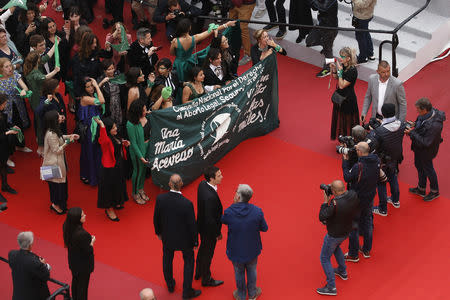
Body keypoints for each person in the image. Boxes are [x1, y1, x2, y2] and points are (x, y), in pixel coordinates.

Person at [153, 174, 201, 299]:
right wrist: (195, 242)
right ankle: (187, 292)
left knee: (167, 260)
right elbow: (192, 225)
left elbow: (156, 218)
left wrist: (158, 232)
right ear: (181, 184)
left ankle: (170, 284)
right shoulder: (187, 204)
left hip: (167, 238)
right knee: (189, 263)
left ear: (169, 184)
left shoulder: (160, 199)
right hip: (185, 241)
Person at [221, 184, 268, 300]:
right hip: (252, 248)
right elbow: (265, 228)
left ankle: (241, 295)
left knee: (239, 272)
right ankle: (252, 294)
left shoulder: (229, 212)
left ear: (238, 196)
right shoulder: (257, 211)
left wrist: (233, 205)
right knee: (252, 270)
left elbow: (223, 220)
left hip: (235, 250)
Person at [317, 180, 359, 296]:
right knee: (336, 248)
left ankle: (331, 287)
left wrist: (326, 201)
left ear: (334, 192)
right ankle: (342, 270)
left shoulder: (335, 204)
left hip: (334, 234)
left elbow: (322, 216)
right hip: (346, 231)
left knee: (324, 258)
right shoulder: (353, 195)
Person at [342, 142, 379, 261]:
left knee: (353, 225)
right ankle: (367, 250)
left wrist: (345, 162)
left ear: (360, 152)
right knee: (367, 223)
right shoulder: (376, 160)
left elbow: (347, 177)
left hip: (357, 200)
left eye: (356, 149)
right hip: (370, 197)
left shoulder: (359, 166)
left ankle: (353, 253)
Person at [405, 98, 446, 202]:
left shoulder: (434, 125)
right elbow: (420, 120)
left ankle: (434, 191)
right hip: (419, 148)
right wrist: (414, 124)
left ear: (425, 109)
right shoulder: (426, 115)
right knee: (419, 166)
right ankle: (421, 188)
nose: (417, 111)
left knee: (429, 169)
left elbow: (426, 142)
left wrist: (412, 133)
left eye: (418, 109)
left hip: (427, 151)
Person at [170, 18, 234, 83]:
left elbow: (172, 53)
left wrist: (180, 54)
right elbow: (210, 31)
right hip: (189, 63)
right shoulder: (194, 38)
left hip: (179, 64)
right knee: (191, 80)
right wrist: (226, 24)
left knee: (179, 81)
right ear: (189, 28)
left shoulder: (175, 41)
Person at [371, 103, 405, 216]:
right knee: (393, 177)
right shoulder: (402, 125)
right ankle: (395, 200)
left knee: (381, 183)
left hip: (383, 160)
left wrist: (373, 132)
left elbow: (374, 145)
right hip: (395, 157)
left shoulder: (379, 131)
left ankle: (382, 209)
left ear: (383, 114)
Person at [42, 110, 79, 214]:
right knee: (56, 186)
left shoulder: (53, 130)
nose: (60, 117)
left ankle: (59, 203)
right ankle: (55, 204)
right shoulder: (51, 133)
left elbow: (60, 138)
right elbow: (56, 150)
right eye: (58, 116)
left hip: (56, 163)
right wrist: (68, 142)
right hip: (53, 164)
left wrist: (69, 136)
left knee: (59, 185)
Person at [23, 50, 60, 152]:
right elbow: (45, 77)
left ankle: (40, 140)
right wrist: (55, 71)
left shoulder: (30, 67)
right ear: (36, 61)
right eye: (39, 58)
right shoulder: (34, 73)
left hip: (35, 98)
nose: (41, 58)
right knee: (40, 123)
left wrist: (55, 45)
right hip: (38, 100)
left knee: (38, 120)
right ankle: (40, 147)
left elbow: (46, 57)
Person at [95, 117, 129, 221]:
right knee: (108, 189)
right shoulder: (104, 139)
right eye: (113, 128)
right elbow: (105, 139)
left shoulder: (115, 136)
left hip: (117, 166)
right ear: (108, 129)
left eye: (116, 127)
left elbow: (116, 145)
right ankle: (109, 209)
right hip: (108, 169)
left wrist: (123, 143)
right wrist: (101, 125)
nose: (116, 129)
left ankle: (116, 202)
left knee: (117, 185)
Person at [195, 166, 224, 287]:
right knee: (208, 253)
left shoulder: (202, 184)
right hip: (209, 230)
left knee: (202, 249)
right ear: (212, 179)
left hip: (201, 226)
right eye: (219, 175)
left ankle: (198, 272)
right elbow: (210, 219)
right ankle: (206, 279)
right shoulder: (210, 197)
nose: (222, 176)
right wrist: (217, 233)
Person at [0, 57, 32, 154]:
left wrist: (24, 90)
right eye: (6, 67)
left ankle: (21, 146)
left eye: (10, 65)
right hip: (5, 109)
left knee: (19, 126)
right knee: (6, 131)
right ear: (1, 68)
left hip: (18, 106)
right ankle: (8, 155)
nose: (10, 68)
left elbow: (25, 87)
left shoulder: (15, 75)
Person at [63, 207, 95, 300]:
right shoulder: (82, 234)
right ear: (77, 219)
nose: (85, 216)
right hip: (83, 265)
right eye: (82, 215)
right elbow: (88, 250)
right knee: (83, 287)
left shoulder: (66, 226)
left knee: (75, 281)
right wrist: (92, 242)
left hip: (73, 261)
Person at [8, 231, 51, 300]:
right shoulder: (35, 262)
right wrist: (44, 264)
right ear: (30, 245)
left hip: (18, 295)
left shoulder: (12, 254)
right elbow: (46, 276)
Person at [79, 78, 105, 186]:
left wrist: (99, 84)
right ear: (83, 88)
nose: (91, 88)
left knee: (96, 151)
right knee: (90, 151)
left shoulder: (91, 94)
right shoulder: (85, 98)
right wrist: (98, 86)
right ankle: (89, 175)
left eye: (92, 86)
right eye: (88, 86)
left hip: (95, 126)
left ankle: (95, 174)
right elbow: (101, 101)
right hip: (90, 129)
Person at [330, 47, 359, 140]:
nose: (340, 58)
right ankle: (343, 138)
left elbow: (342, 85)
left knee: (348, 121)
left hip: (348, 99)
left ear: (348, 58)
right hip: (340, 97)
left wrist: (340, 71)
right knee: (341, 119)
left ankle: (350, 139)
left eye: (342, 56)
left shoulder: (352, 70)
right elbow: (336, 78)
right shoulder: (343, 66)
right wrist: (334, 70)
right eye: (340, 56)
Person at [306, 0, 338, 77]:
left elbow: (323, 7)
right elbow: (315, 8)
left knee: (328, 50)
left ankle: (328, 68)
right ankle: (326, 44)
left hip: (330, 28)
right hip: (320, 25)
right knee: (309, 41)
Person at [126, 100, 150, 204]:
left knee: (143, 171)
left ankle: (141, 189)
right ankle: (135, 193)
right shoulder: (131, 124)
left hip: (147, 147)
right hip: (137, 152)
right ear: (137, 112)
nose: (146, 111)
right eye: (144, 110)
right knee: (138, 171)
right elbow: (134, 143)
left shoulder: (146, 117)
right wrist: (140, 156)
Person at [0, 94, 19, 198]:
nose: (6, 104)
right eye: (4, 103)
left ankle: (4, 184)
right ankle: (4, 185)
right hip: (1, 142)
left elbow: (4, 124)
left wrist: (12, 127)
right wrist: (8, 133)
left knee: (3, 163)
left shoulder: (2, 113)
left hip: (3, 144)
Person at [229, 0, 256, 66]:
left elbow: (239, 3)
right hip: (234, 4)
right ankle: (236, 44)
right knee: (231, 25)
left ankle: (248, 54)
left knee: (243, 28)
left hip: (247, 4)